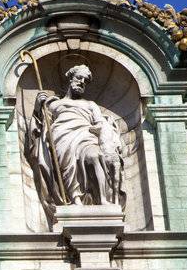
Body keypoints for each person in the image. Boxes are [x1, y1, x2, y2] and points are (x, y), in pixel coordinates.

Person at [27, 63, 127, 210]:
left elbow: (100, 123)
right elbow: (39, 127)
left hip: (86, 136)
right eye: (79, 78)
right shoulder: (53, 104)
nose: (82, 82)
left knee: (94, 156)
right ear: (71, 79)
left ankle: (103, 200)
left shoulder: (90, 104)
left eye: (85, 81)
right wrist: (37, 107)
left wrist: (100, 132)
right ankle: (75, 200)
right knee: (68, 168)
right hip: (61, 138)